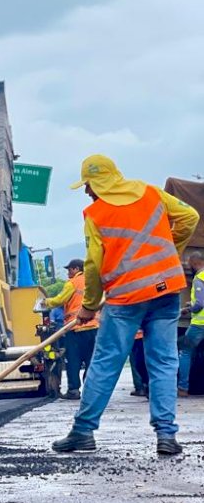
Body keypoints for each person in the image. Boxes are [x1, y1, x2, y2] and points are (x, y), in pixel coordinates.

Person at [52, 154, 199, 457]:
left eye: (88, 184)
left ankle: (83, 432)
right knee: (163, 362)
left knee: (105, 363)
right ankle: (166, 436)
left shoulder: (95, 213)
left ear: (97, 182)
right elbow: (190, 217)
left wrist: (89, 306)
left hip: (126, 298)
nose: (86, 191)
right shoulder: (150, 192)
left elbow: (93, 265)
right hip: (166, 291)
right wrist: (170, 252)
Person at [42, 259, 99, 400]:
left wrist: (45, 302)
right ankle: (93, 390)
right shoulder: (94, 281)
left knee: (73, 360)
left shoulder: (72, 283)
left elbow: (60, 300)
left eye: (69, 270)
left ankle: (73, 390)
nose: (68, 273)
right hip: (94, 328)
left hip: (75, 328)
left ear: (76, 269)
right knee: (92, 360)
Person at [178, 251, 204, 397]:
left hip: (200, 324)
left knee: (185, 351)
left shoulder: (199, 277)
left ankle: (182, 388)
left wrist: (187, 309)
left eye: (189, 264)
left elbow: (200, 303)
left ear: (194, 263)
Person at [129, 331, 148, 397]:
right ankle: (149, 387)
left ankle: (140, 387)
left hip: (137, 334)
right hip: (151, 333)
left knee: (135, 357)